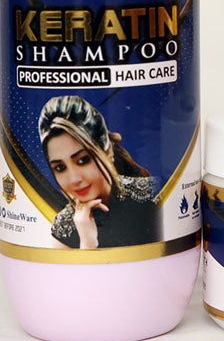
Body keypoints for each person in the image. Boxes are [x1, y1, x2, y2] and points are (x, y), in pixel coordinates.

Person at [39, 95, 160, 249]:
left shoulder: (151, 194)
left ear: (108, 151)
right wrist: (87, 243)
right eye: (60, 168)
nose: (74, 179)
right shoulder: (64, 227)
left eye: (83, 160)